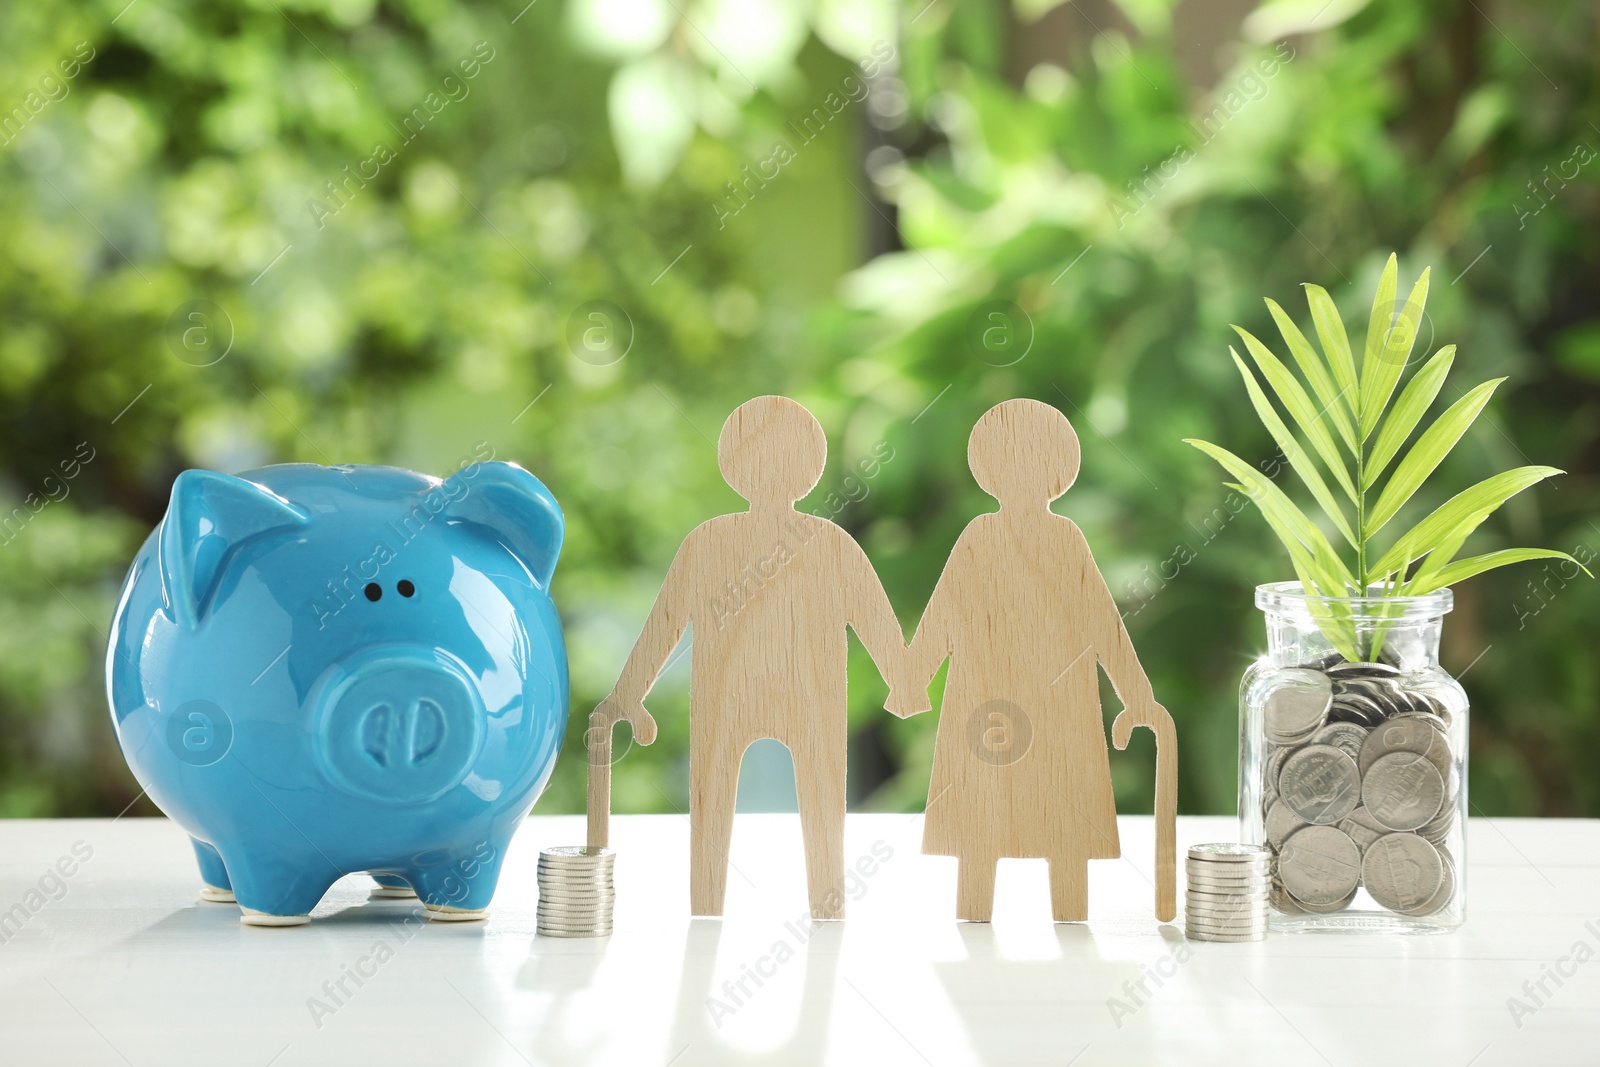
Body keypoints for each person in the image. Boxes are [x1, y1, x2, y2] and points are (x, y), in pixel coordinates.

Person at [596, 396, 914, 920]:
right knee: (798, 799)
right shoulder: (825, 541)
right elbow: (876, 619)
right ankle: (806, 905)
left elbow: (665, 626)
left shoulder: (714, 541)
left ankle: (726, 904)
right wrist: (902, 681)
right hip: (785, 697)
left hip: (755, 698)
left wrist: (630, 694)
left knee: (732, 798)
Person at [893, 399, 1173, 922]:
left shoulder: (1040, 539)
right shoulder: (1003, 538)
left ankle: (1047, 914)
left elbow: (1100, 622)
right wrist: (911, 679)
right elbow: (947, 613)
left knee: (1048, 818)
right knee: (992, 819)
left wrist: (912, 680)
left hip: (1029, 703)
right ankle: (1009, 913)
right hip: (1021, 701)